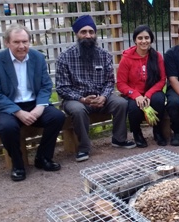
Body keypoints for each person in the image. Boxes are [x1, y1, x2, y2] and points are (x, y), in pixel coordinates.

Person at [0, 24, 65, 182]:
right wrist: (18, 112)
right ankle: (18, 165)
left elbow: (46, 85)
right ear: (7, 43)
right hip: (7, 107)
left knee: (57, 117)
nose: (22, 46)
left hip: (33, 104)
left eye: (25, 41)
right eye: (17, 42)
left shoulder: (37, 57)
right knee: (7, 127)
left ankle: (43, 158)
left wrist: (40, 106)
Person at [56, 15, 135, 162]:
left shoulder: (104, 55)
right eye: (84, 32)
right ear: (77, 34)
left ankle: (119, 139)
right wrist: (83, 99)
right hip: (76, 99)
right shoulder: (64, 57)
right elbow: (62, 88)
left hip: (100, 97)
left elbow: (110, 82)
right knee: (78, 110)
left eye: (91, 32)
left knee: (121, 103)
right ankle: (84, 148)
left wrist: (104, 97)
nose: (88, 35)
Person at [117, 25, 167, 147]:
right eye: (140, 38)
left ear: (151, 40)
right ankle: (137, 133)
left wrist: (149, 94)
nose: (143, 41)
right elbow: (120, 83)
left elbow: (162, 79)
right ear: (135, 40)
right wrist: (136, 95)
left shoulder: (157, 56)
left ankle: (157, 131)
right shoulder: (126, 58)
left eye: (146, 38)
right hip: (134, 94)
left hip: (152, 91)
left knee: (159, 100)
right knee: (134, 107)